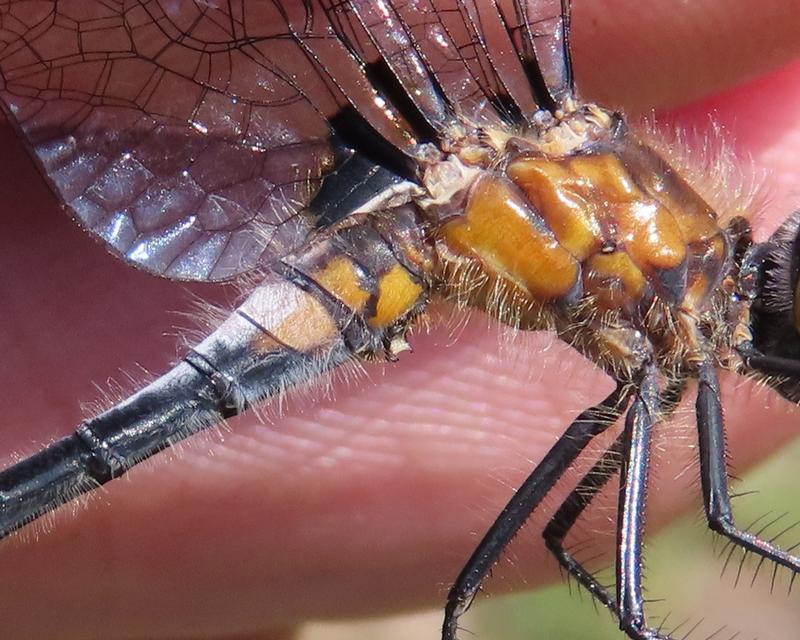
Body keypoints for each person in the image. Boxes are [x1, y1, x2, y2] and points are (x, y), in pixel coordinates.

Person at [0, 1, 798, 638]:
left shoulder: (668, 291)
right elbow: (713, 531)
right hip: (406, 235)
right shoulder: (681, 307)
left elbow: (562, 539)